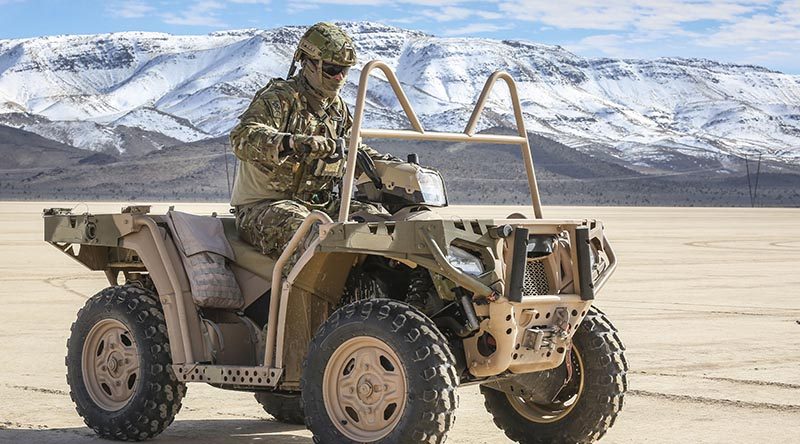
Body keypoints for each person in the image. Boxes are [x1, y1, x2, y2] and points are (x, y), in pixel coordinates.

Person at [230, 22, 387, 259]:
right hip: (265, 207)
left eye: (345, 70)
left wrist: (392, 167)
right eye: (333, 69)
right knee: (312, 235)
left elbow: (353, 147)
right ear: (309, 63)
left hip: (321, 205)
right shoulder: (280, 99)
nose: (340, 77)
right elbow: (242, 137)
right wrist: (290, 142)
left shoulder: (337, 109)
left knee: (383, 226)